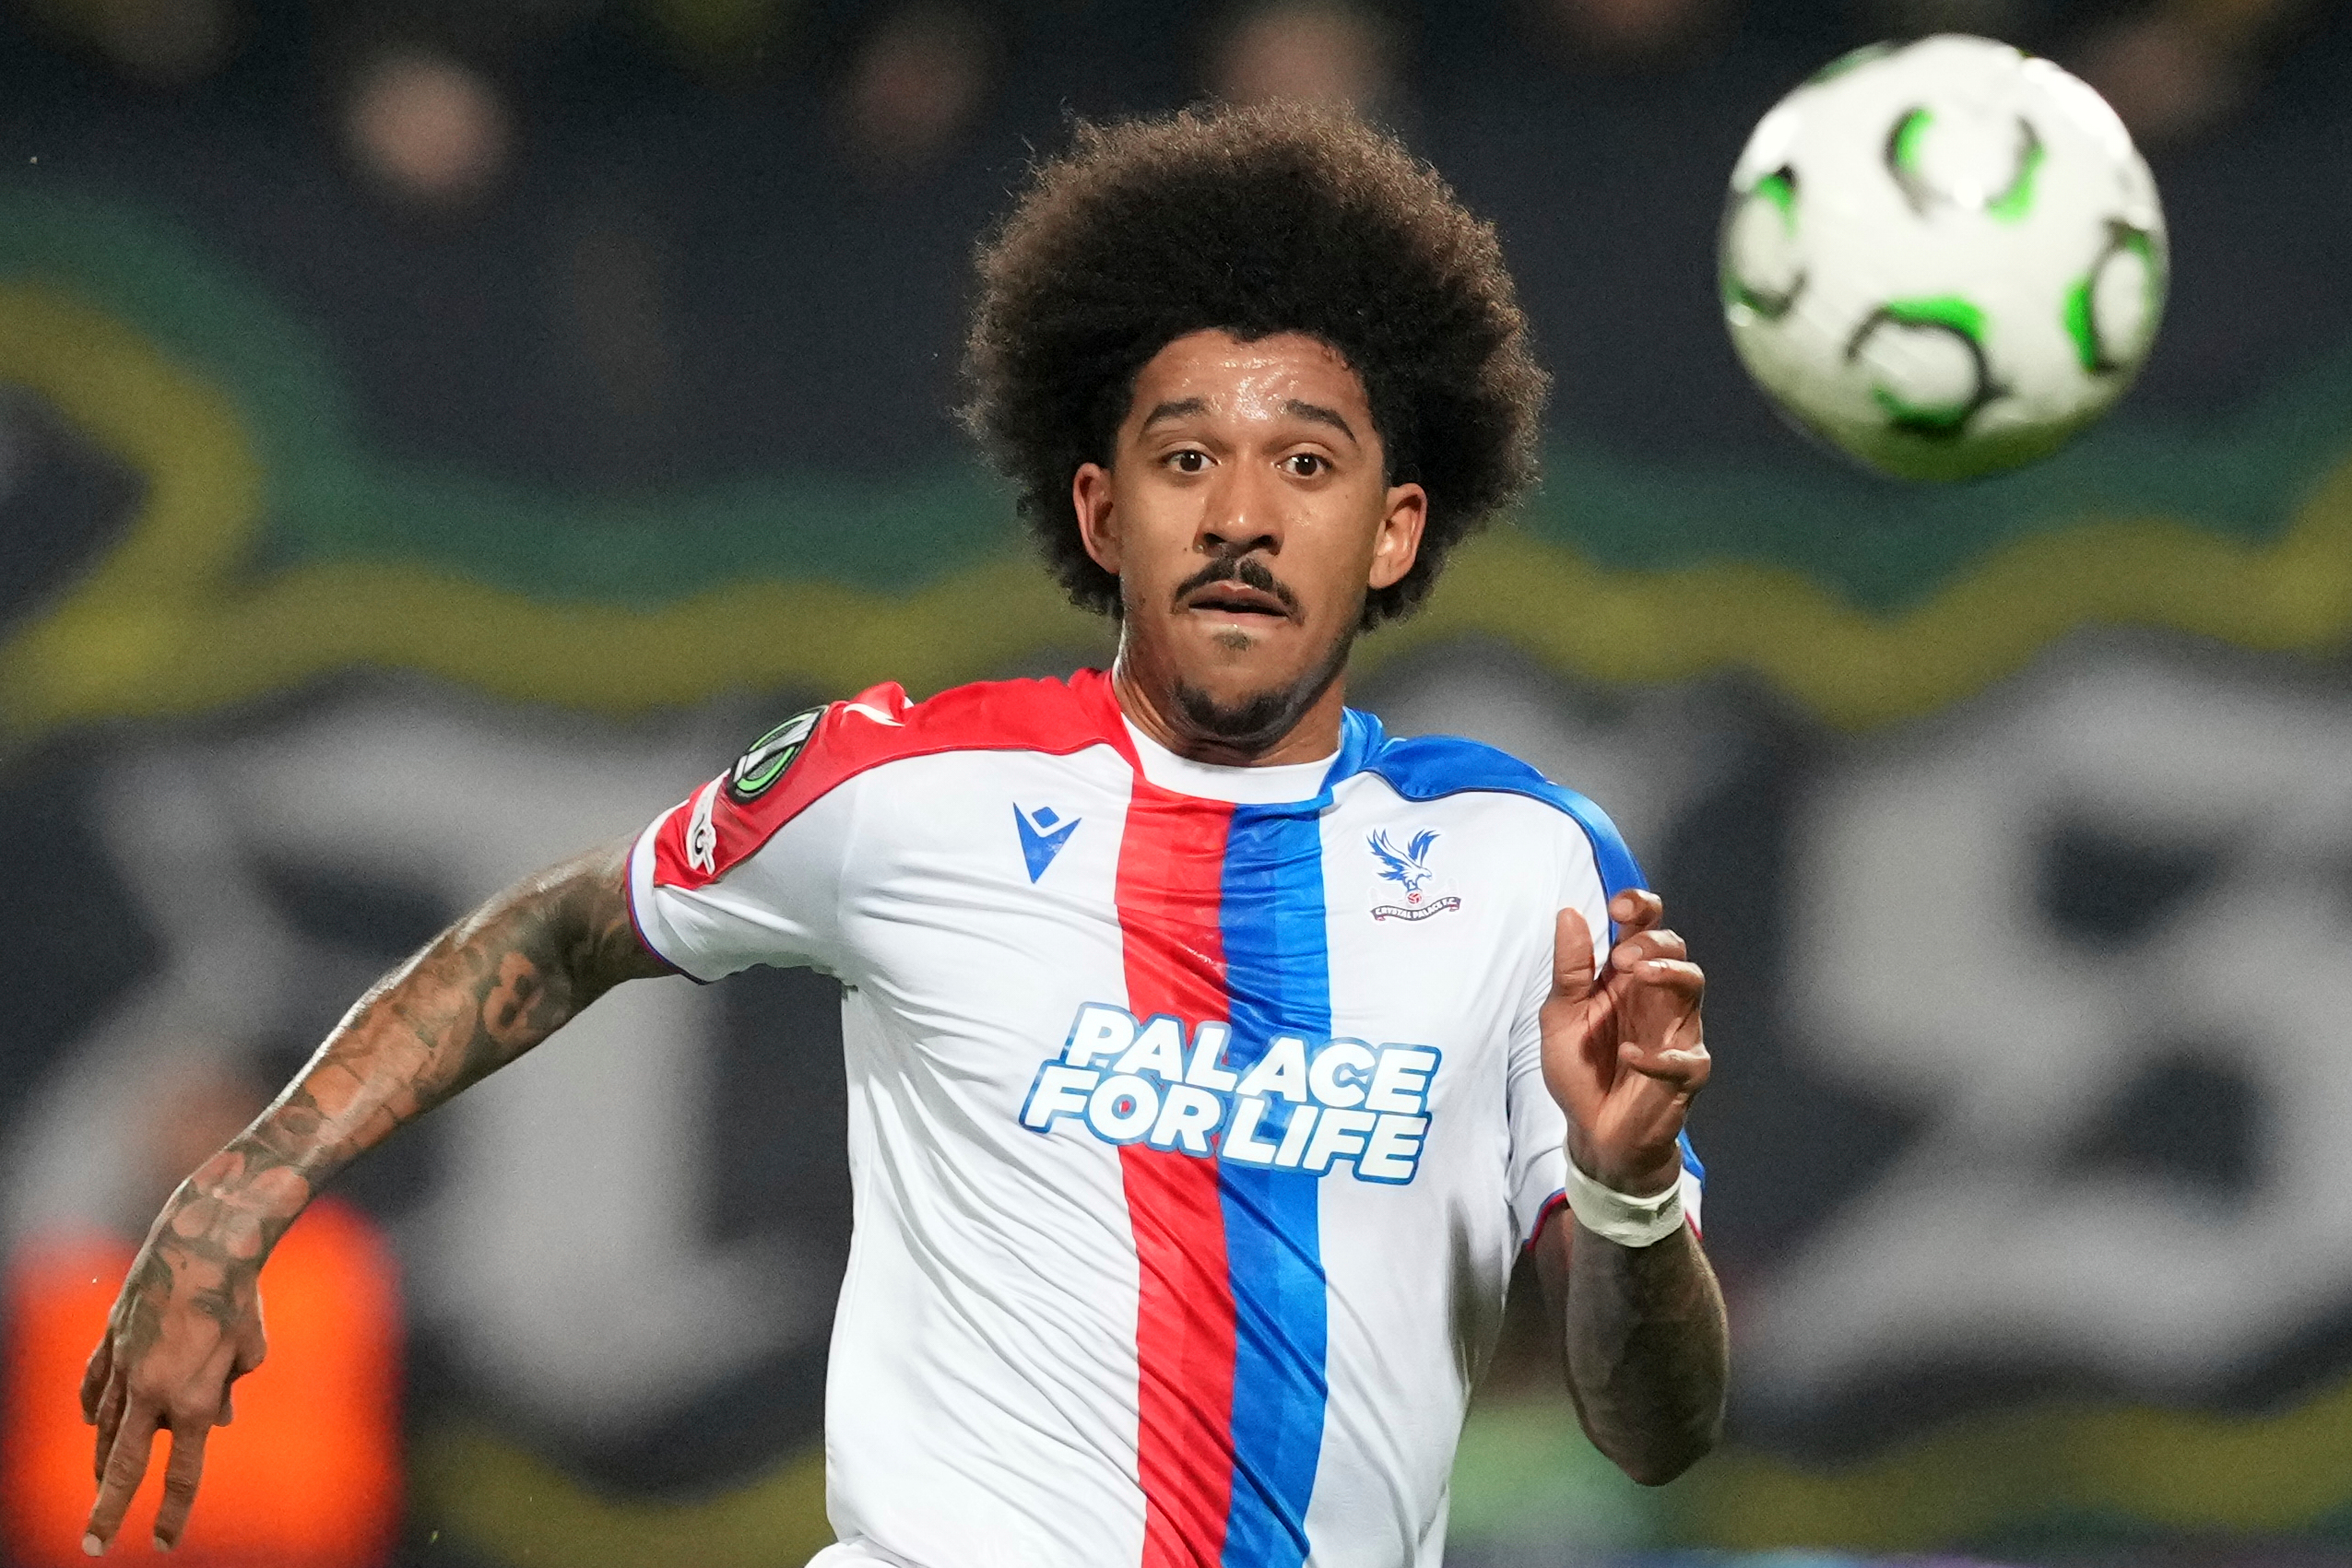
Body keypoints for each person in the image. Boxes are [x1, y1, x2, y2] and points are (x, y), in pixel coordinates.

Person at [79, 102, 1727, 1565]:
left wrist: (1631, 1185)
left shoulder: (1526, 866)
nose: (1239, 514)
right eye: (1183, 459)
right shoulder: (902, 791)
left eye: (1307, 460)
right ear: (1099, 511)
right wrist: (233, 1202)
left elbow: (1654, 1430)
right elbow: (562, 926)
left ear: (1395, 528)